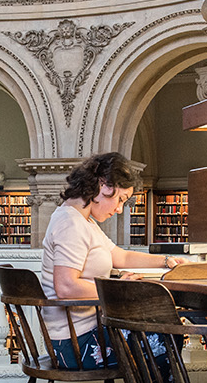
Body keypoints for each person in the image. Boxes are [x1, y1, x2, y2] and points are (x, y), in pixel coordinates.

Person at [41, 152, 186, 372]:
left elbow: (121, 256)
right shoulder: (71, 223)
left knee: (164, 331)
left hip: (87, 332)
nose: (119, 209)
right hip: (76, 344)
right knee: (166, 335)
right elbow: (66, 286)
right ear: (102, 185)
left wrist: (166, 261)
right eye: (120, 199)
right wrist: (119, 290)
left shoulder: (83, 221)